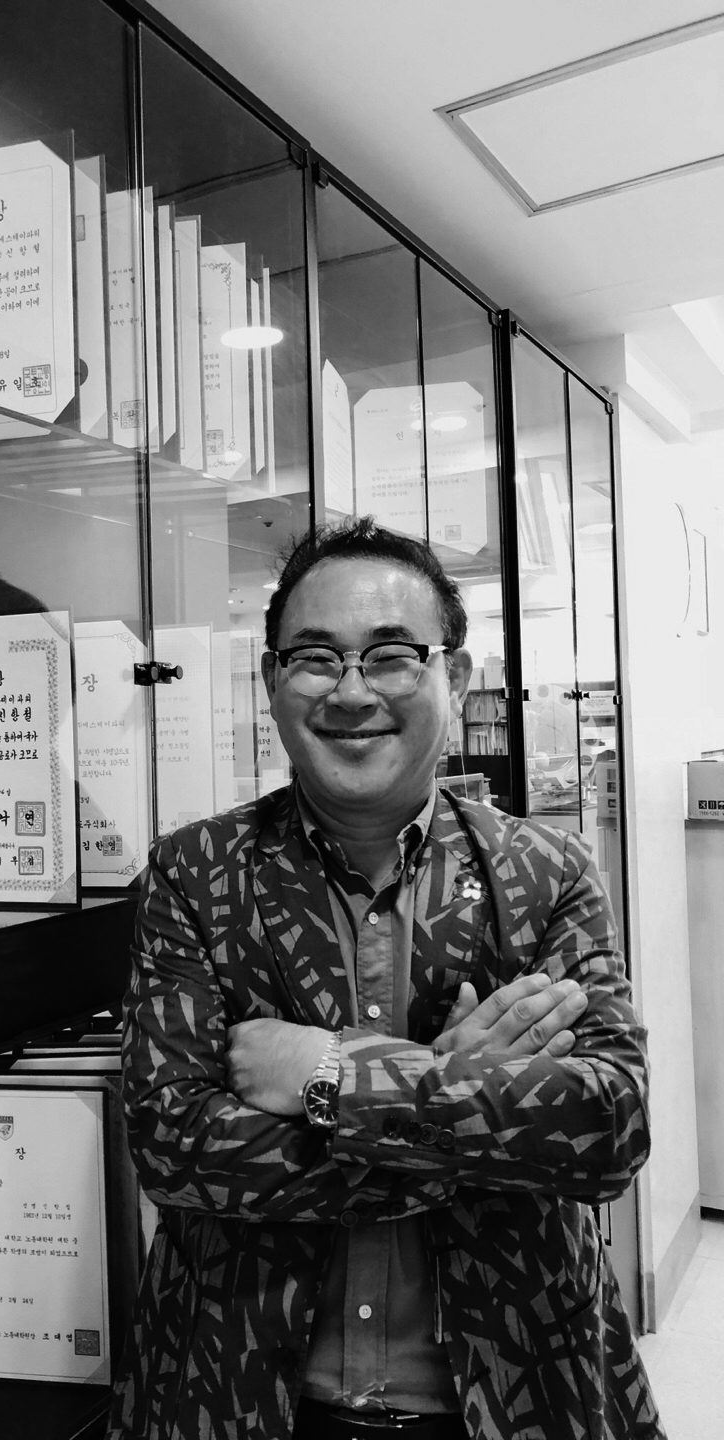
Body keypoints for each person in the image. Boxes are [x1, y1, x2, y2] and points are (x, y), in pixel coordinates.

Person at [109, 517, 661, 1440]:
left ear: (458, 676)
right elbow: (173, 1143)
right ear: (273, 680)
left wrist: (328, 1073)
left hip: (515, 1387)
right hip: (238, 1388)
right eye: (316, 657)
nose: (353, 691)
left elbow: (608, 1127)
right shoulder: (195, 874)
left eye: (393, 656)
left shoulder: (546, 873)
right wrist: (466, 1106)